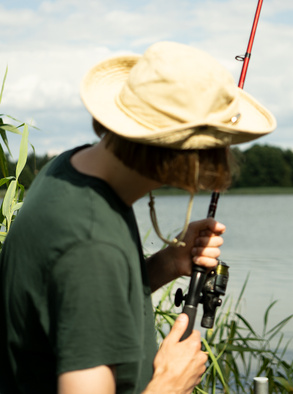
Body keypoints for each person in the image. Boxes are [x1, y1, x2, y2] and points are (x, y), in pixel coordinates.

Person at [0, 41, 276, 394]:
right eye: (219, 144)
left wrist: (169, 262)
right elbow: (89, 265)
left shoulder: (72, 169)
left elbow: (87, 300)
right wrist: (168, 385)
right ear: (188, 154)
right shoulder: (90, 241)